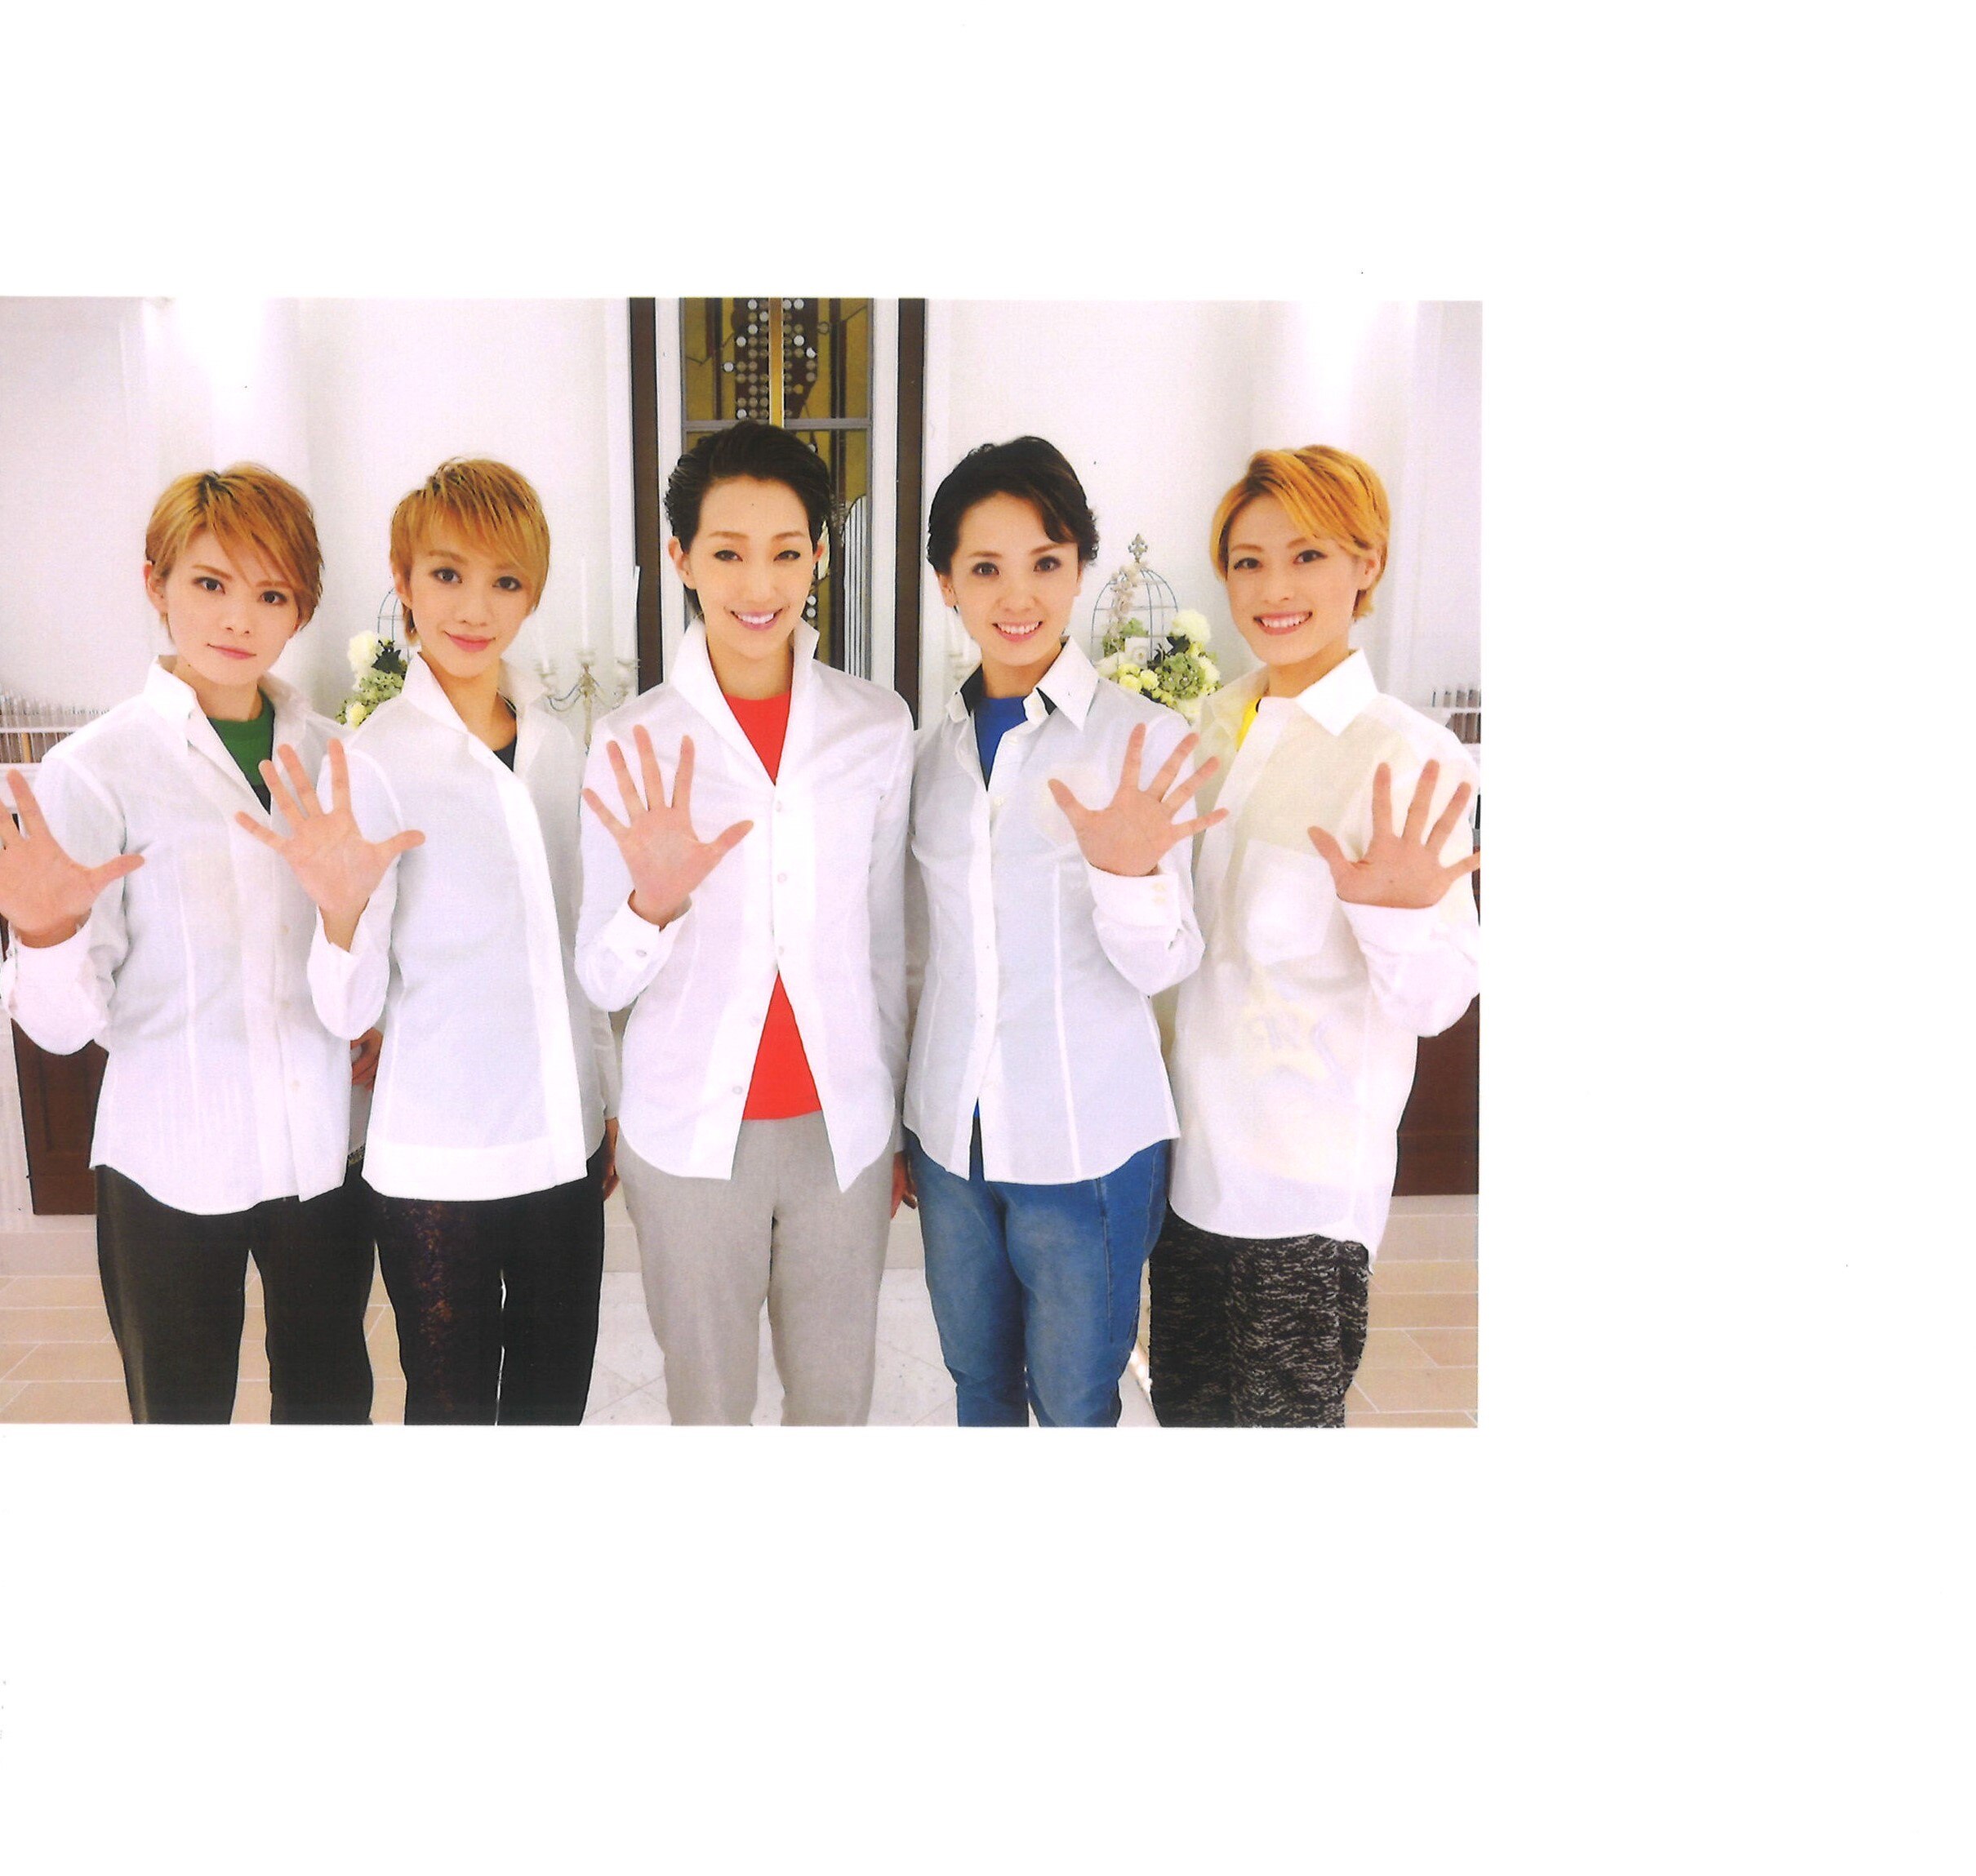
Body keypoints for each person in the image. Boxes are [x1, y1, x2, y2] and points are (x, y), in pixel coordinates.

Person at [245, 458, 618, 1425]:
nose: (474, 608)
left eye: (505, 580)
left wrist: (603, 1099)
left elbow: (575, 954)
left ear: (531, 593)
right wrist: (336, 912)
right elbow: (346, 1008)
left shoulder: (558, 748)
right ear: (403, 581)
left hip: (565, 1143)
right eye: (447, 574)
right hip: (436, 1165)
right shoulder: (371, 762)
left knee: (552, 1412)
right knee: (449, 1417)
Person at [0, 465, 376, 1423]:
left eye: (272, 594)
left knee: (331, 1405)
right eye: (210, 583)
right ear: (156, 584)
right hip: (169, 1158)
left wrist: (344, 916)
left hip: (319, 1155)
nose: (238, 618)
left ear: (301, 612)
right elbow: (60, 1029)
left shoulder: (337, 763)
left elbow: (355, 1002)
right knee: (180, 1417)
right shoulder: (97, 769)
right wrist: (43, 931)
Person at [577, 420, 913, 1426]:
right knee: (708, 1405)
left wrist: (893, 1118)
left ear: (819, 556)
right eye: (726, 553)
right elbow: (600, 978)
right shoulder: (631, 740)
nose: (758, 585)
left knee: (832, 1402)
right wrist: (651, 904)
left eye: (785, 552)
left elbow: (887, 943)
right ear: (680, 558)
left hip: (839, 1132)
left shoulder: (875, 726)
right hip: (688, 1136)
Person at [1152, 444, 1481, 1428]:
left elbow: (1436, 1001)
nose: (1272, 589)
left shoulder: (1404, 755)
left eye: (1306, 556)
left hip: (1302, 1197)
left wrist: (1395, 913)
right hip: (1186, 1176)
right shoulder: (1212, 726)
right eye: (1246, 562)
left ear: (1364, 563)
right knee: (1186, 1424)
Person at [903, 437, 1222, 1427]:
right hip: (952, 1141)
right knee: (978, 1387)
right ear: (946, 584)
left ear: (1079, 566)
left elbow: (1167, 961)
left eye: (1044, 562)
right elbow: (918, 954)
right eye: (983, 568)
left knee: (1077, 1404)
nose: (1017, 596)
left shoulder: (1144, 741)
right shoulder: (927, 755)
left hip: (1088, 1142)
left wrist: (1125, 875)